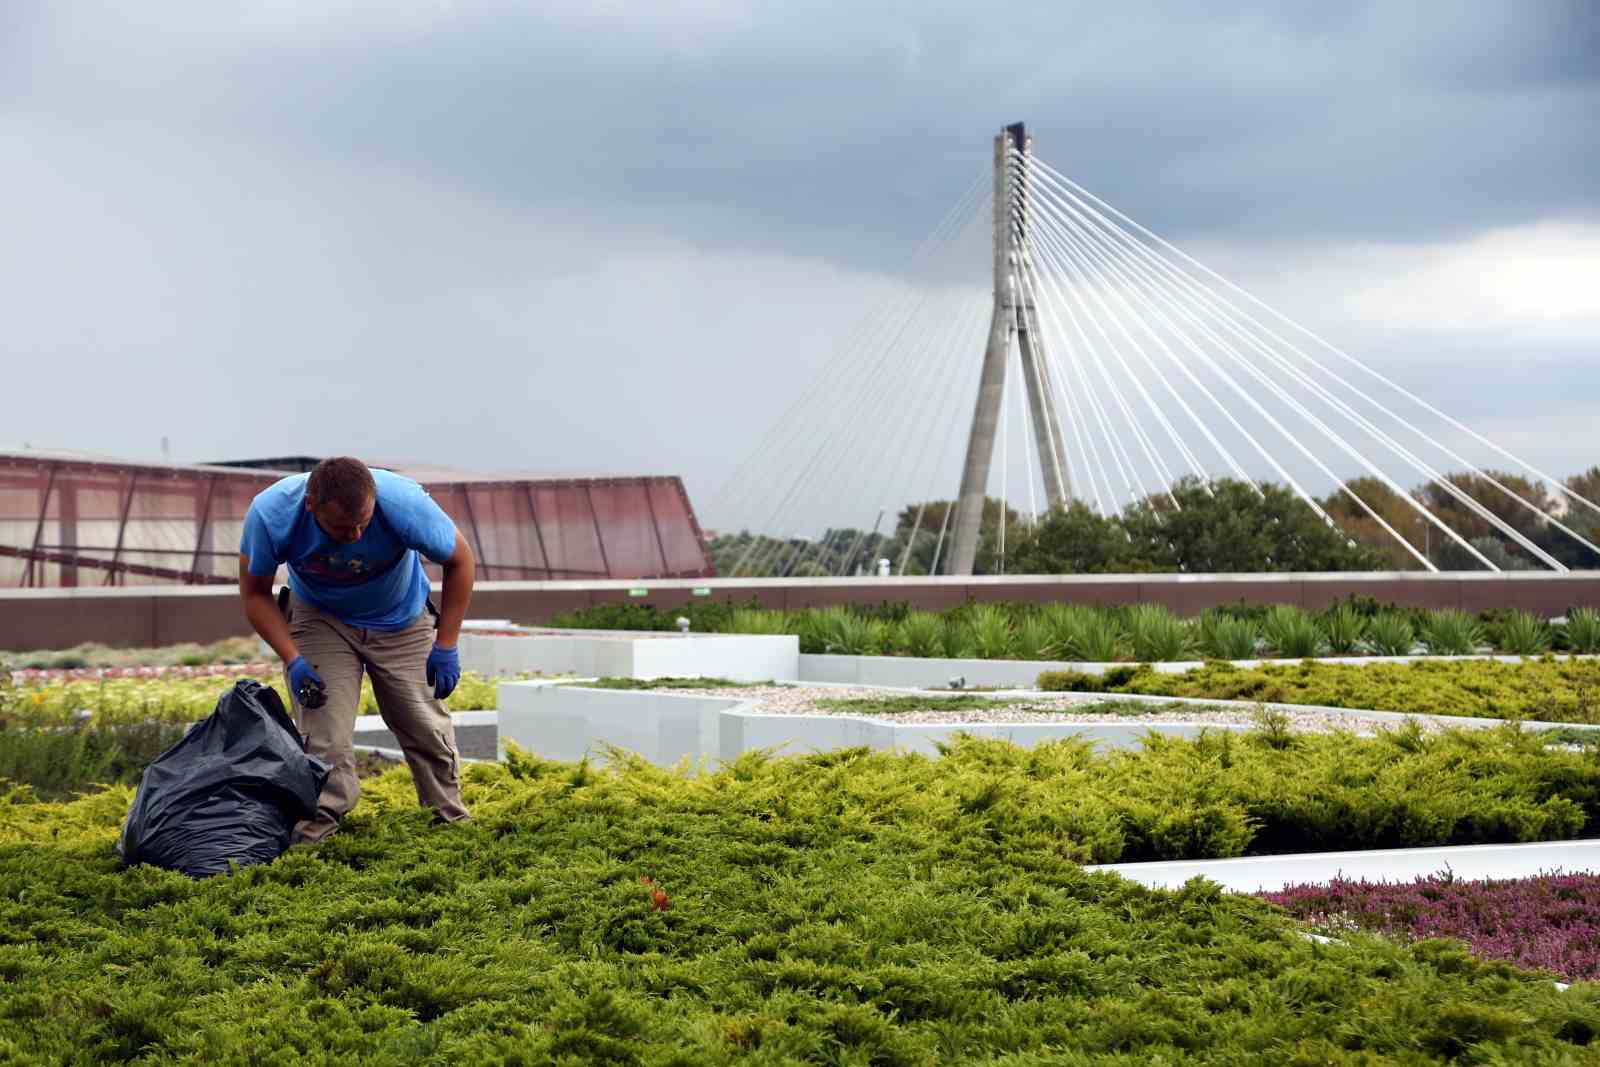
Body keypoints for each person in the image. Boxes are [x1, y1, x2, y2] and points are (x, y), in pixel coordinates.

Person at [237, 456, 475, 843]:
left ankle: (448, 822)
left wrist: (446, 643)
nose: (355, 536)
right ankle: (319, 833)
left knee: (423, 724)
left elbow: (461, 560)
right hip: (320, 620)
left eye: (364, 523)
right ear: (311, 505)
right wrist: (292, 658)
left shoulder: (403, 501)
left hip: (401, 618)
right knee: (324, 735)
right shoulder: (271, 513)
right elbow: (254, 594)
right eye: (342, 528)